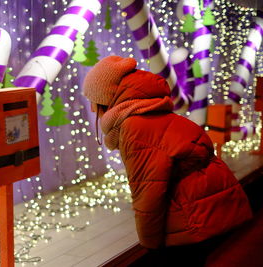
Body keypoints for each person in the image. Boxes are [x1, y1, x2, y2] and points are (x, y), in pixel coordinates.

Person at [82, 55, 253, 249]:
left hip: (198, 218)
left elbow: (148, 194)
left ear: (105, 98)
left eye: (93, 100)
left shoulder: (134, 126)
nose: (91, 108)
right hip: (212, 206)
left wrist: (149, 246)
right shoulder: (149, 113)